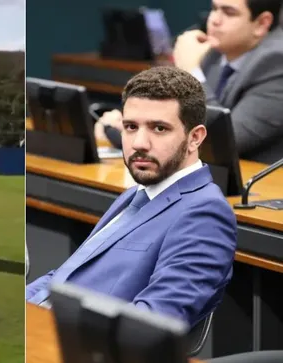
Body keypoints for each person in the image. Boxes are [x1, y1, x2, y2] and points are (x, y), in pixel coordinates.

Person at [27, 66, 237, 328]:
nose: (139, 143)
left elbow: (150, 323)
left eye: (158, 128)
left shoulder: (206, 214)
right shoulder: (137, 194)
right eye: (130, 127)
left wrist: (43, 332)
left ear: (195, 138)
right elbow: (64, 276)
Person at [97, 0, 283, 164]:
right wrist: (132, 126)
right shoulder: (215, 50)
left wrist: (192, 72)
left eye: (228, 12)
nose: (214, 20)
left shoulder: (276, 61)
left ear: (262, 23)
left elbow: (223, 142)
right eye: (214, 8)